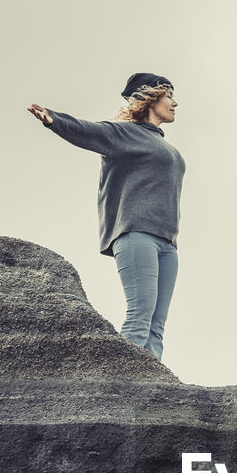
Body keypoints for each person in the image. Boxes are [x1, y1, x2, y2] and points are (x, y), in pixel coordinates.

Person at [28, 72, 185, 362]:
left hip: (167, 243)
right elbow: (88, 130)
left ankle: (153, 387)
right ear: (151, 98)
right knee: (140, 317)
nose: (176, 103)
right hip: (136, 234)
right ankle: (122, 382)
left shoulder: (165, 146)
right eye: (170, 96)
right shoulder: (123, 133)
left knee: (156, 327)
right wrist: (54, 120)